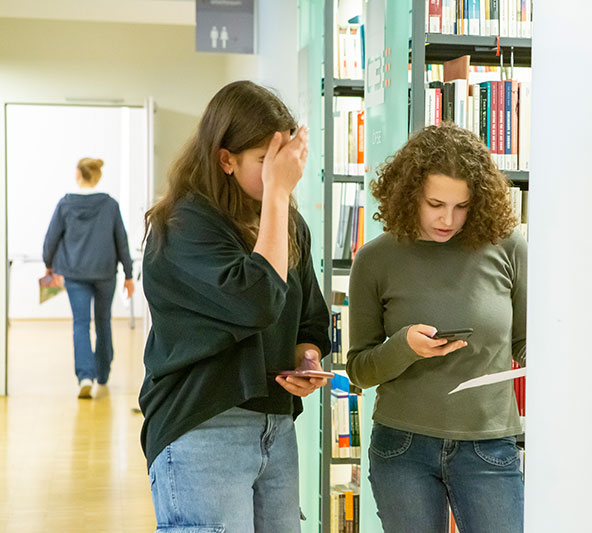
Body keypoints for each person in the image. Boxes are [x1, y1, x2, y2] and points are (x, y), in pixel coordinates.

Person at [139, 80, 331, 533]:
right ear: (226, 159)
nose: (278, 176)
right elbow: (256, 301)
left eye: (282, 163)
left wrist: (307, 357)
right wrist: (279, 196)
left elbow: (310, 316)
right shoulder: (183, 226)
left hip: (275, 428)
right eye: (266, 163)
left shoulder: (286, 222)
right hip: (203, 424)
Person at [346, 122, 527, 532]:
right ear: (409, 195)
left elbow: (527, 342)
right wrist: (404, 347)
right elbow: (358, 370)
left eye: (462, 206)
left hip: (488, 445)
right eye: (435, 204)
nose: (448, 219)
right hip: (403, 447)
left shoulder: (509, 247)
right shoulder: (375, 260)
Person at [42, 157, 135, 399]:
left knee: (80, 324)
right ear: (97, 175)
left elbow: (51, 238)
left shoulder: (66, 204)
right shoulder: (110, 205)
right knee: (103, 322)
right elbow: (121, 240)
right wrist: (128, 274)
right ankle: (103, 374)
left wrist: (48, 265)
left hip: (74, 273)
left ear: (78, 174)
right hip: (105, 273)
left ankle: (85, 376)